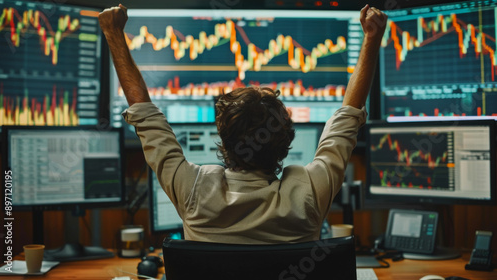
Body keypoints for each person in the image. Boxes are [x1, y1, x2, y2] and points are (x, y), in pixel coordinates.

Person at [98, 4, 387, 244]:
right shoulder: (309, 194)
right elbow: (346, 119)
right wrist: (372, 38)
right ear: (286, 143)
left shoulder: (194, 190)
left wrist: (113, 33)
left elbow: (144, 113)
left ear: (223, 139)